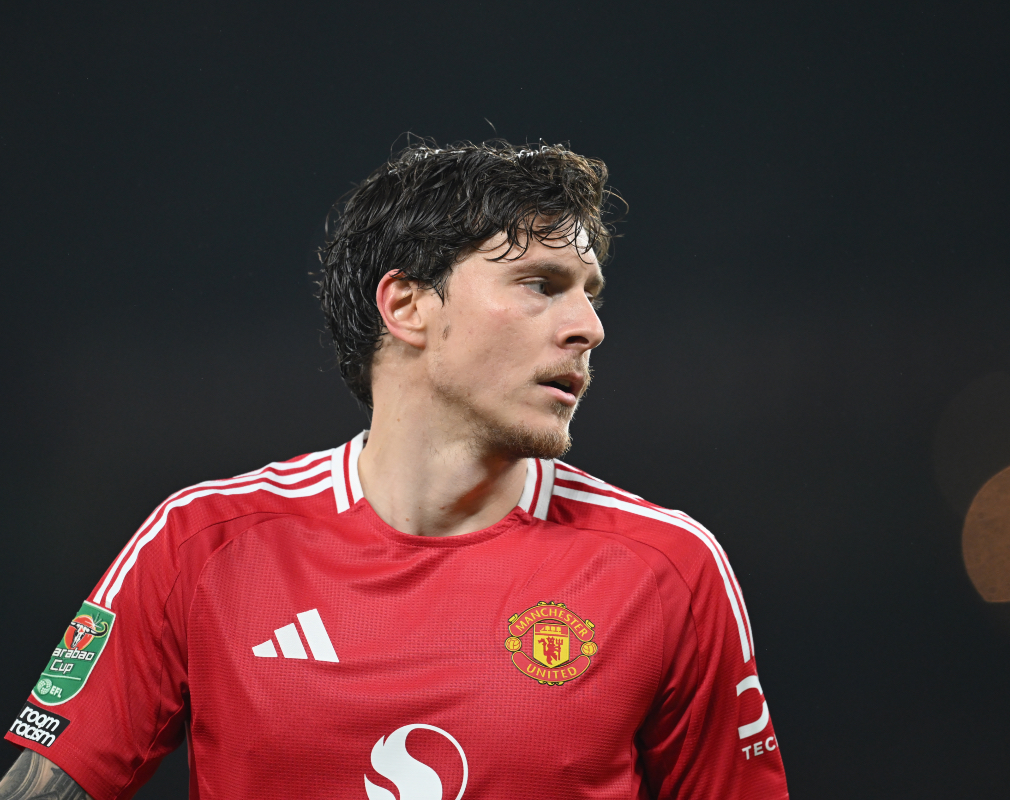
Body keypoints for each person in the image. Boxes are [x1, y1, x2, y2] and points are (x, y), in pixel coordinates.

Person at [2, 140, 789, 799]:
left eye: (591, 295)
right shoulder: (202, 545)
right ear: (407, 305)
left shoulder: (668, 569)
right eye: (541, 286)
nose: (588, 327)